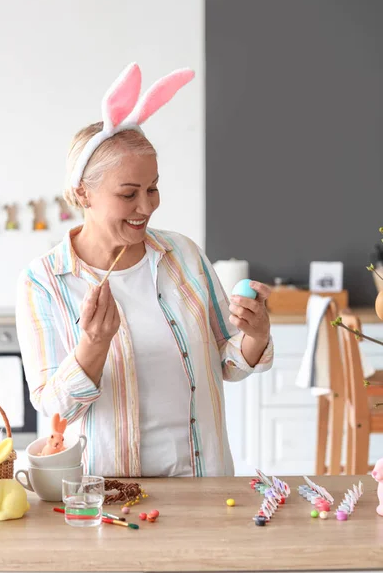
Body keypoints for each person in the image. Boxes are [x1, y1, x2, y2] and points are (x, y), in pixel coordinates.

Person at [16, 64, 273, 478]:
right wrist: (94, 345)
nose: (147, 206)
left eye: (152, 188)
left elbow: (227, 362)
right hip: (113, 497)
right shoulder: (44, 281)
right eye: (128, 193)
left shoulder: (183, 254)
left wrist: (255, 335)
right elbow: (55, 409)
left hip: (204, 484)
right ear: (83, 192)